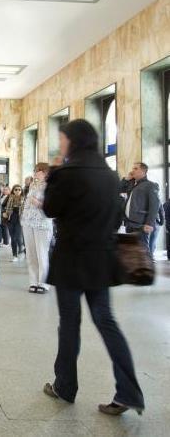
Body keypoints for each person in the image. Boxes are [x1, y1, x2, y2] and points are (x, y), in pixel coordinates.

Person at [42, 119, 144, 417]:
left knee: (70, 324)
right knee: (107, 322)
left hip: (71, 259)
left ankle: (65, 386)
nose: (60, 145)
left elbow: (49, 209)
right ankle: (129, 392)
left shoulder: (66, 173)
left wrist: (56, 170)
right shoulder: (111, 176)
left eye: (62, 139)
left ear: (72, 141)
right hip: (101, 259)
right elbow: (115, 218)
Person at [21, 163, 54, 294]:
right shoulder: (32, 185)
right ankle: (33, 281)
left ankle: (44, 283)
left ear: (45, 172)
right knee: (31, 253)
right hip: (28, 222)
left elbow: (52, 205)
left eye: (38, 171)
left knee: (42, 253)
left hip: (42, 222)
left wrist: (39, 203)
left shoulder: (51, 186)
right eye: (35, 170)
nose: (35, 173)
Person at [123, 162, 160, 259]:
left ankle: (147, 272)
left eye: (135, 169)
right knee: (131, 251)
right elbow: (119, 188)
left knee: (143, 252)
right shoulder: (132, 184)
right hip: (129, 224)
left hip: (141, 224)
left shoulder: (150, 185)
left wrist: (149, 223)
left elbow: (154, 205)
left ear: (143, 171)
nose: (132, 171)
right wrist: (127, 178)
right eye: (133, 168)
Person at [4, 185, 25, 262]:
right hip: (10, 219)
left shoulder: (24, 198)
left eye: (19, 189)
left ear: (21, 190)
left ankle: (21, 249)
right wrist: (4, 212)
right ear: (13, 190)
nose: (17, 191)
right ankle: (14, 255)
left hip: (20, 220)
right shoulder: (9, 197)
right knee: (13, 238)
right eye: (16, 189)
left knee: (17, 237)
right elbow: (2, 205)